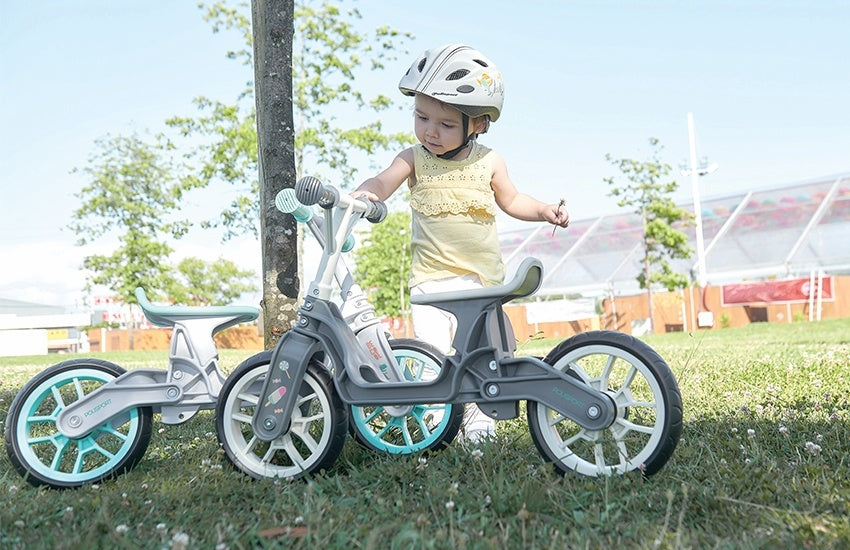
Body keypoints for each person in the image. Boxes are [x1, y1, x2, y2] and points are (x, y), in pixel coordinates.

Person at [353, 44, 569, 442]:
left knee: (484, 357)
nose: (431, 131)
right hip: (431, 285)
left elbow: (512, 200)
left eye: (446, 124)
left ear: (479, 124)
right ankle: (437, 424)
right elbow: (382, 181)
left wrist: (543, 210)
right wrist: (366, 194)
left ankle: (480, 425)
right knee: (434, 359)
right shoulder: (413, 159)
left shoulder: (490, 162)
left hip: (480, 284)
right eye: (421, 117)